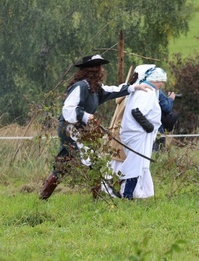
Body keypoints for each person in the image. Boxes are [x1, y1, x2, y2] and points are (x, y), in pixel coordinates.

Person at [39, 54, 150, 200]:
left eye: (100, 67)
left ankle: (42, 199)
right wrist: (86, 116)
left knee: (63, 164)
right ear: (89, 70)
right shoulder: (81, 86)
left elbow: (112, 91)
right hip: (70, 128)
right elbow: (68, 109)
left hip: (78, 129)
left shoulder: (95, 87)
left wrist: (134, 87)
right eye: (97, 67)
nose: (100, 70)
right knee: (93, 159)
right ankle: (99, 198)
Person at [119, 67, 167, 199]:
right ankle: (127, 194)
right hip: (137, 133)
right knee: (135, 164)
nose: (162, 84)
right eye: (160, 81)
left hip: (134, 133)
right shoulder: (147, 92)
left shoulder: (141, 90)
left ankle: (133, 192)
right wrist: (149, 127)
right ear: (154, 79)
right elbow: (136, 111)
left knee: (136, 163)